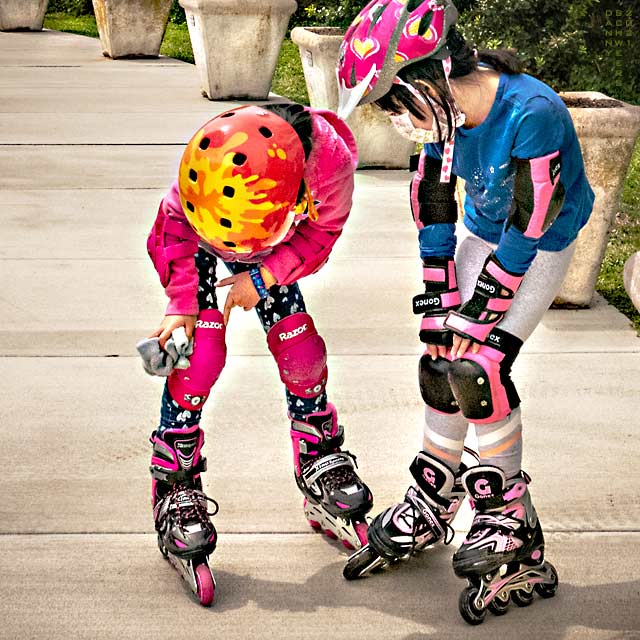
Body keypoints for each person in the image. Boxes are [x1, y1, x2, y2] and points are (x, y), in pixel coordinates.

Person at [337, 0, 594, 624]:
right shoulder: (442, 122)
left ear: (430, 76)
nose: (399, 121)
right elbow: (432, 204)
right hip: (482, 231)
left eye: (397, 103)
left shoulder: (533, 113)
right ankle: (434, 493)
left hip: (538, 241)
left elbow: (527, 226)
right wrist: (439, 300)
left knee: (480, 366)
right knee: (441, 359)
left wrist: (479, 313)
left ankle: (509, 516)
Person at [137, 102, 373, 605]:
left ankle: (319, 457)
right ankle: (174, 485)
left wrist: (263, 277)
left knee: (300, 348)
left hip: (272, 244)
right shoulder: (211, 166)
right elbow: (174, 230)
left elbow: (321, 234)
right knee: (199, 357)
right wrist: (181, 302)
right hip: (205, 239)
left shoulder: (329, 172)